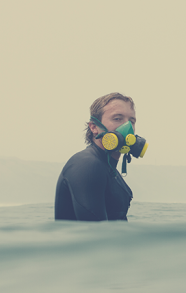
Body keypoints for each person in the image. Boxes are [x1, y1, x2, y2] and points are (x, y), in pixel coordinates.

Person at [54, 92, 139, 221]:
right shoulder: (87, 165)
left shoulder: (108, 169)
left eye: (131, 121)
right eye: (117, 119)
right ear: (94, 127)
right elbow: (95, 234)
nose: (128, 128)